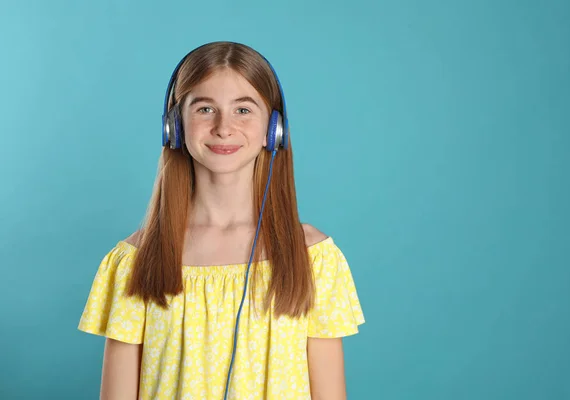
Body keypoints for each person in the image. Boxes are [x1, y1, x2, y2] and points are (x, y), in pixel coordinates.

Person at [78, 41, 365, 400]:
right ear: (175, 128)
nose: (223, 127)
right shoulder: (135, 260)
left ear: (273, 130)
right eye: (205, 109)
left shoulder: (313, 258)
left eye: (243, 109)